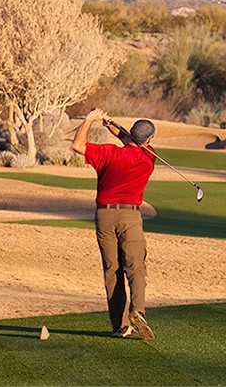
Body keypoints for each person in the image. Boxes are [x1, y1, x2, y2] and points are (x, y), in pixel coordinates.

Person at [71, 108, 156, 340]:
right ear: (149, 140)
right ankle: (137, 311)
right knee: (135, 267)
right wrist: (111, 126)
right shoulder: (149, 158)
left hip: (104, 216)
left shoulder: (108, 153)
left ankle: (121, 326)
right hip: (130, 217)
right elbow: (131, 140)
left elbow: (78, 146)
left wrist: (90, 120)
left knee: (112, 270)